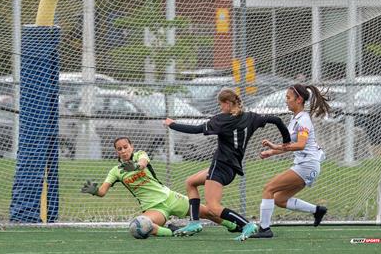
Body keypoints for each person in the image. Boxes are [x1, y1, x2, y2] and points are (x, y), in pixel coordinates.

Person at [163, 88, 291, 241]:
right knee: (190, 182)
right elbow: (277, 120)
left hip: (220, 166)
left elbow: (196, 129)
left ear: (229, 103)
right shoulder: (252, 117)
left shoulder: (222, 120)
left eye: (221, 104)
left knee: (213, 207)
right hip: (232, 168)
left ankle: (247, 225)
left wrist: (172, 124)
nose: (220, 108)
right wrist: (286, 141)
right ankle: (194, 222)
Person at [81, 136, 241, 237]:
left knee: (209, 212)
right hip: (154, 208)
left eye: (125, 147)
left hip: (170, 197)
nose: (123, 150)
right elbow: (102, 191)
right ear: (116, 152)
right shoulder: (115, 171)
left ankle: (233, 226)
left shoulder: (140, 155)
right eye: (119, 149)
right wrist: (94, 191)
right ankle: (173, 230)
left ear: (132, 147)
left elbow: (143, 164)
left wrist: (135, 167)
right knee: (140, 226)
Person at [251, 84, 330, 239]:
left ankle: (264, 229)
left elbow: (300, 144)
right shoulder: (295, 119)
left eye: (288, 98)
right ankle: (317, 210)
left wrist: (275, 147)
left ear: (299, 100)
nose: (286, 101)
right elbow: (291, 145)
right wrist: (272, 152)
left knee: (268, 189)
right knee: (279, 199)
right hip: (307, 165)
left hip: (307, 166)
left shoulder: (303, 120)